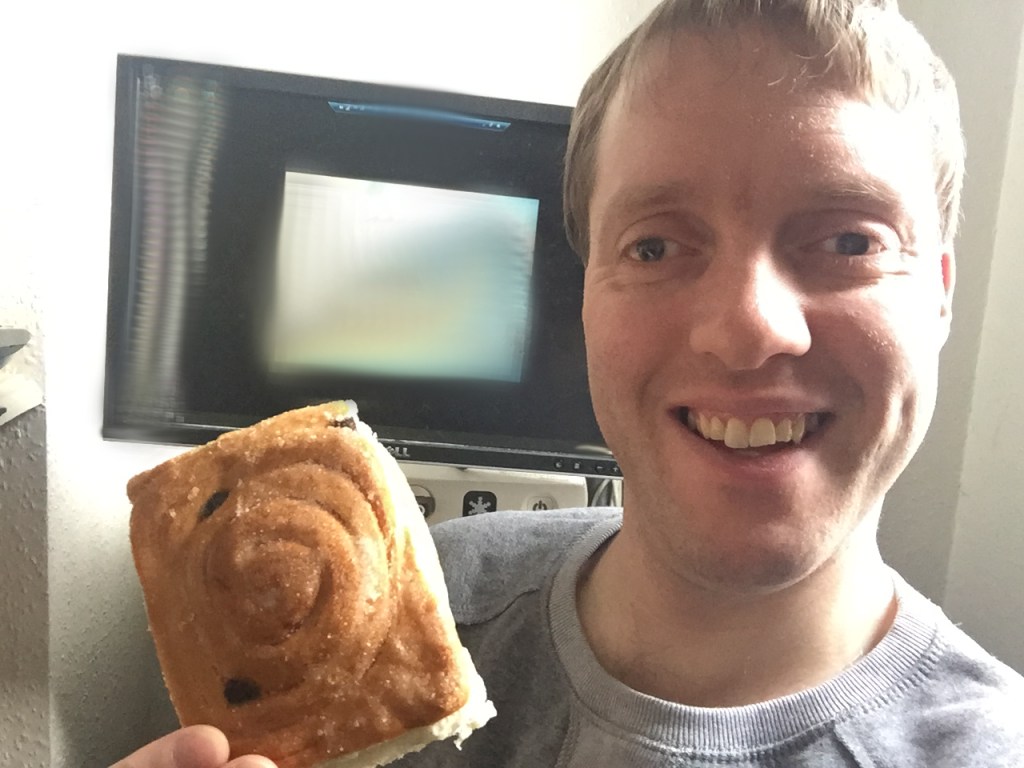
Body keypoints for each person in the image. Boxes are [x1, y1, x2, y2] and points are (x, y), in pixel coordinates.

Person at [113, 1, 1024, 766]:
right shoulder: (403, 620)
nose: (748, 331)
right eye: (656, 245)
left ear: (940, 294)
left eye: (848, 241)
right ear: (585, 291)